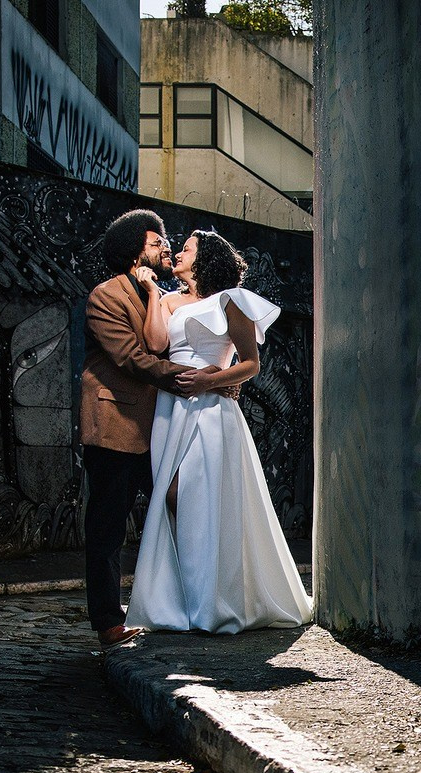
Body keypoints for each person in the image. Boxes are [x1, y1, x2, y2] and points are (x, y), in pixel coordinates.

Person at [123, 229, 313, 634]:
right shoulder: (171, 299)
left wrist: (211, 381)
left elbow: (251, 364)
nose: (177, 253)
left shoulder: (230, 302)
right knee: (170, 493)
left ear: (205, 257)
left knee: (203, 494)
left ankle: (212, 601)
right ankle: (183, 599)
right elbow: (156, 343)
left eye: (187, 249)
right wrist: (154, 292)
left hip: (212, 408)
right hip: (170, 408)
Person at [78, 209, 228, 648]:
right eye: (156, 242)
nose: (165, 247)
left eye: (165, 242)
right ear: (133, 249)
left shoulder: (157, 293)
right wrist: (185, 378)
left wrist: (217, 377)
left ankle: (189, 602)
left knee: (180, 509)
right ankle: (108, 622)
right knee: (107, 526)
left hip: (161, 429)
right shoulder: (105, 296)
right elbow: (129, 357)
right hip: (115, 428)